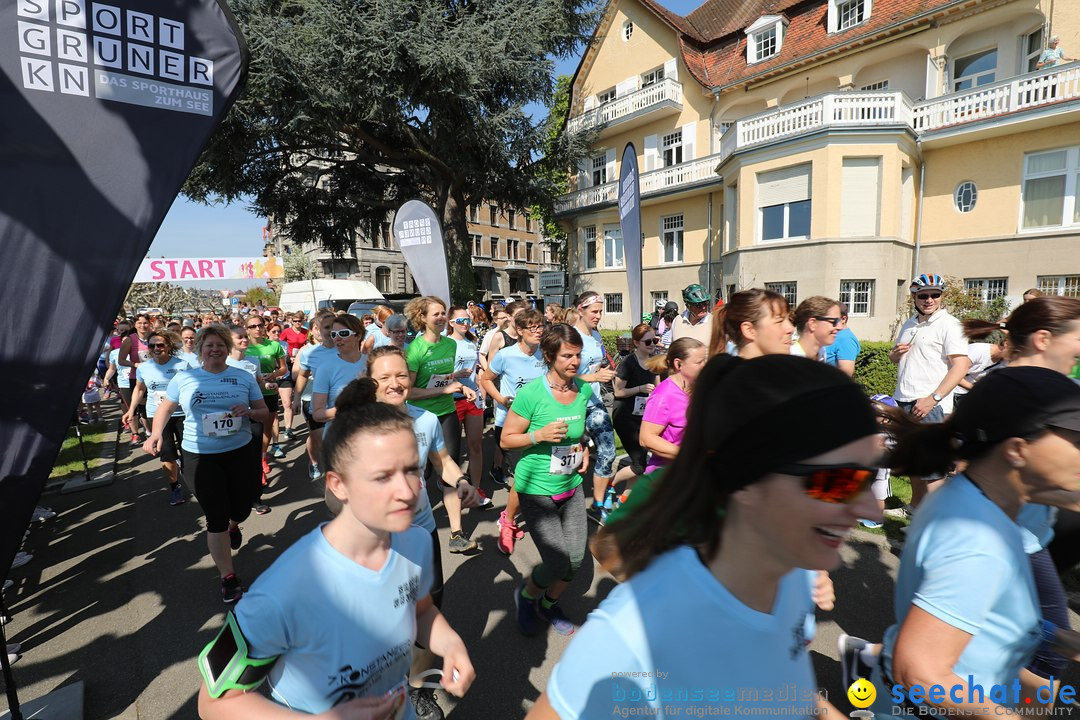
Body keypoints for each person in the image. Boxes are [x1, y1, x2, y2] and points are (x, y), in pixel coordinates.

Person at [528, 354, 881, 719]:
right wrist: (659, 587)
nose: (874, 511)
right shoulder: (637, 632)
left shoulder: (792, 572)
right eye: (840, 481)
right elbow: (608, 547)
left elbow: (782, 688)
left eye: (871, 477)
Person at [197, 368, 476, 719]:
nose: (407, 491)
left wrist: (450, 644)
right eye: (382, 477)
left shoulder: (417, 541)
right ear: (338, 484)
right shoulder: (283, 591)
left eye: (410, 470)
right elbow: (215, 703)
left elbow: (420, 609)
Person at [846, 367, 1080, 716]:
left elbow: (985, 619)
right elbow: (920, 672)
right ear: (1017, 450)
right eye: (1076, 441)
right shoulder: (978, 540)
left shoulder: (976, 502)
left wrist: (1059, 640)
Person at [329, 359, 480, 719]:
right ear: (369, 381)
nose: (395, 383)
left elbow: (442, 462)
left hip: (420, 531)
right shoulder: (353, 427)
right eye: (385, 377)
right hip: (373, 540)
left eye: (401, 375)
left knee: (427, 609)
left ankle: (418, 689)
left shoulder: (425, 420)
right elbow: (333, 494)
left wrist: (460, 482)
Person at [963, 295, 1080, 699]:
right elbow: (978, 473)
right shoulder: (1008, 389)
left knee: (1034, 641)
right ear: (1044, 339)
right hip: (1009, 542)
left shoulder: (1052, 388)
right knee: (1046, 650)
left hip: (1030, 536)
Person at [145, 326, 270, 602]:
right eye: (209, 345)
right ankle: (228, 577)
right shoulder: (185, 377)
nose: (215, 350)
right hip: (200, 455)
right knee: (215, 516)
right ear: (200, 349)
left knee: (240, 508)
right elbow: (165, 407)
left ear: (227, 348)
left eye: (220, 345)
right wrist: (155, 434)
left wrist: (249, 411)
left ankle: (234, 525)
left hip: (239, 451)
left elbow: (263, 413)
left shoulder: (242, 376)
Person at [501, 324, 594, 637]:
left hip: (570, 487)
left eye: (578, 355)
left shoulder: (583, 390)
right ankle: (527, 597)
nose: (575, 361)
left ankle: (549, 603)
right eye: (567, 355)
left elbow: (579, 433)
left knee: (577, 559)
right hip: (536, 490)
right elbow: (505, 440)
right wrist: (537, 435)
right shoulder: (531, 394)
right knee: (556, 563)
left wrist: (584, 449)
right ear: (549, 355)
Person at [888, 273, 971, 511]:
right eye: (923, 295)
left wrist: (933, 399)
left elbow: (961, 366)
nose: (929, 299)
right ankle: (915, 509)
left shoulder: (950, 325)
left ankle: (938, 524)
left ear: (941, 296)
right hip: (904, 398)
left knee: (933, 469)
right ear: (914, 297)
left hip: (929, 403)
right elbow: (898, 358)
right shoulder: (909, 323)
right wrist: (894, 356)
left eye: (935, 295)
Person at [405, 296, 478, 553]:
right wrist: (446, 388)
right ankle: (412, 528)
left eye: (443, 313)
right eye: (435, 314)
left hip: (447, 414)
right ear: (422, 318)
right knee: (420, 475)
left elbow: (443, 379)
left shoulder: (449, 344)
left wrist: (457, 385)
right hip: (420, 418)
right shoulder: (415, 349)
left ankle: (456, 533)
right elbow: (408, 392)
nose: (441, 317)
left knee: (450, 471)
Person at [481, 307, 548, 554]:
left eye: (541, 326)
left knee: (535, 475)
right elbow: (486, 379)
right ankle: (507, 521)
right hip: (509, 424)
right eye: (533, 327)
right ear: (519, 330)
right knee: (523, 477)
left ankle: (520, 515)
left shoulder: (545, 354)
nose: (539, 331)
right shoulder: (505, 356)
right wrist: (500, 399)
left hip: (540, 424)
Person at [126, 329, 191, 507]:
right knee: (167, 452)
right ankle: (175, 487)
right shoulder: (144, 367)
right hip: (158, 415)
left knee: (189, 451)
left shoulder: (182, 365)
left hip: (182, 414)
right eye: (152, 345)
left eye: (160, 345)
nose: (156, 348)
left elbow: (193, 388)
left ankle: (194, 481)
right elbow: (139, 390)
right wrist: (131, 410)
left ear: (168, 346)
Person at [570, 293, 619, 524]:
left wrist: (604, 373)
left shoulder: (596, 334)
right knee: (571, 460)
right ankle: (563, 505)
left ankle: (597, 505)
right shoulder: (570, 336)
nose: (599, 316)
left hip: (595, 404)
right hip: (571, 405)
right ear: (581, 310)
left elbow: (595, 366)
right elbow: (562, 376)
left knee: (608, 453)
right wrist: (594, 376)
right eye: (594, 312)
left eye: (601, 311)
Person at [639, 337, 707, 475]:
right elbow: (646, 439)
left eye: (705, 360)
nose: (705, 365)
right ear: (679, 364)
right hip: (667, 477)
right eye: (699, 362)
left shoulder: (699, 389)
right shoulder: (663, 396)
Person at [611, 324, 659, 496]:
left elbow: (658, 388)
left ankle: (624, 500)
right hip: (625, 417)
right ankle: (610, 485)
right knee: (640, 465)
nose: (652, 344)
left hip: (643, 417)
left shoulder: (654, 361)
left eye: (655, 340)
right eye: (648, 342)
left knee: (639, 463)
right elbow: (618, 391)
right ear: (636, 343)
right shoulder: (628, 363)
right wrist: (640, 388)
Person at [447, 306, 488, 498]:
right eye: (461, 321)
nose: (466, 324)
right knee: (452, 450)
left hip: (473, 399)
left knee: (476, 445)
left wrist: (482, 391)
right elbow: (434, 378)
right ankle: (454, 488)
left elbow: (478, 370)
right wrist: (455, 375)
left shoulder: (473, 341)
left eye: (468, 320)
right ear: (451, 322)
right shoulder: (445, 343)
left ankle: (477, 488)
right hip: (452, 400)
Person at [293, 310, 337, 480]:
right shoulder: (310, 353)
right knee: (317, 437)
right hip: (313, 401)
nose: (331, 330)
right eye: (327, 327)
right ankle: (314, 462)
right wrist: (297, 397)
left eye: (334, 326)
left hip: (339, 403)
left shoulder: (346, 347)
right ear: (317, 329)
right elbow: (303, 375)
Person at [311, 314, 368, 428]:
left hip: (370, 434)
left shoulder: (372, 363)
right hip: (339, 436)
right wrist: (348, 408)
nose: (337, 338)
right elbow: (317, 414)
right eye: (334, 334)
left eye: (343, 333)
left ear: (358, 335)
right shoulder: (325, 368)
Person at [709, 288, 794, 359]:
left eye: (788, 319)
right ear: (749, 330)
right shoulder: (737, 377)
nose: (791, 328)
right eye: (779, 321)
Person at [118, 313, 153, 443]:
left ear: (150, 324)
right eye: (139, 323)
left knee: (152, 407)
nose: (142, 326)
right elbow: (121, 360)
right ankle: (136, 433)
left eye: (145, 323)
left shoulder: (155, 338)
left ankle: (152, 432)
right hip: (137, 377)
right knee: (137, 407)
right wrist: (135, 364)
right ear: (135, 325)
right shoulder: (130, 339)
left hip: (155, 377)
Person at [267, 323, 297, 441]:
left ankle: (288, 429)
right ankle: (274, 437)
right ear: (268, 332)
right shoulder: (265, 345)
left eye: (279, 331)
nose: (277, 334)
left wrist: (292, 359)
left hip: (285, 376)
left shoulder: (284, 344)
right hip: (270, 378)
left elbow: (287, 359)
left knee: (287, 403)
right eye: (274, 331)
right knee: (273, 410)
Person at [823, 303, 861, 376]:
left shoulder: (846, 339)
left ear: (843, 319)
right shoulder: (833, 335)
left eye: (831, 319)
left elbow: (845, 375)